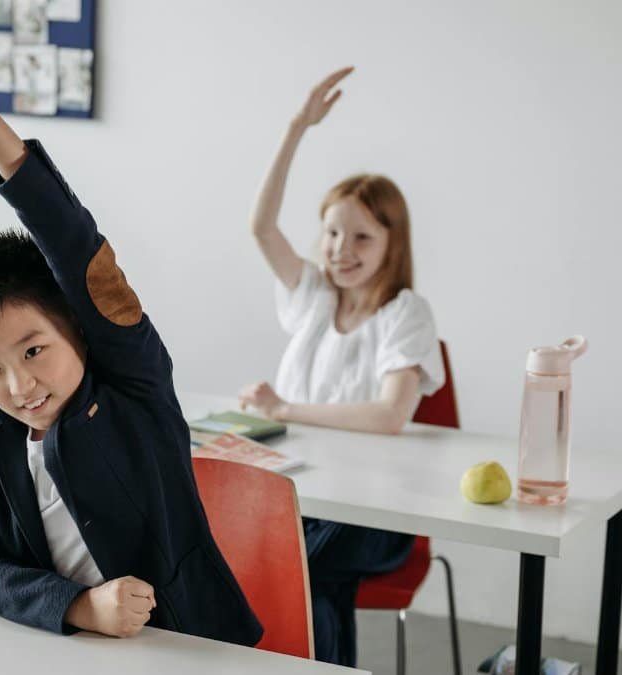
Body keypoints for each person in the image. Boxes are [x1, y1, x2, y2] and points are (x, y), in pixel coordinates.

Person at [0, 3, 262, 645]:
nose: (18, 385)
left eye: (33, 351)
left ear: (79, 330)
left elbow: (77, 249)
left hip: (189, 645)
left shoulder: (131, 382)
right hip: (58, 649)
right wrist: (78, 606)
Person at [237, 67, 446, 666]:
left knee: (288, 561)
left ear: (391, 246)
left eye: (361, 238)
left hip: (376, 517)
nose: (340, 250)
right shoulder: (312, 295)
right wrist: (296, 128)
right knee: (289, 559)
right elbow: (260, 225)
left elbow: (389, 416)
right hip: (305, 495)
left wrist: (282, 409)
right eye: (332, 233)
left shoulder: (405, 313)